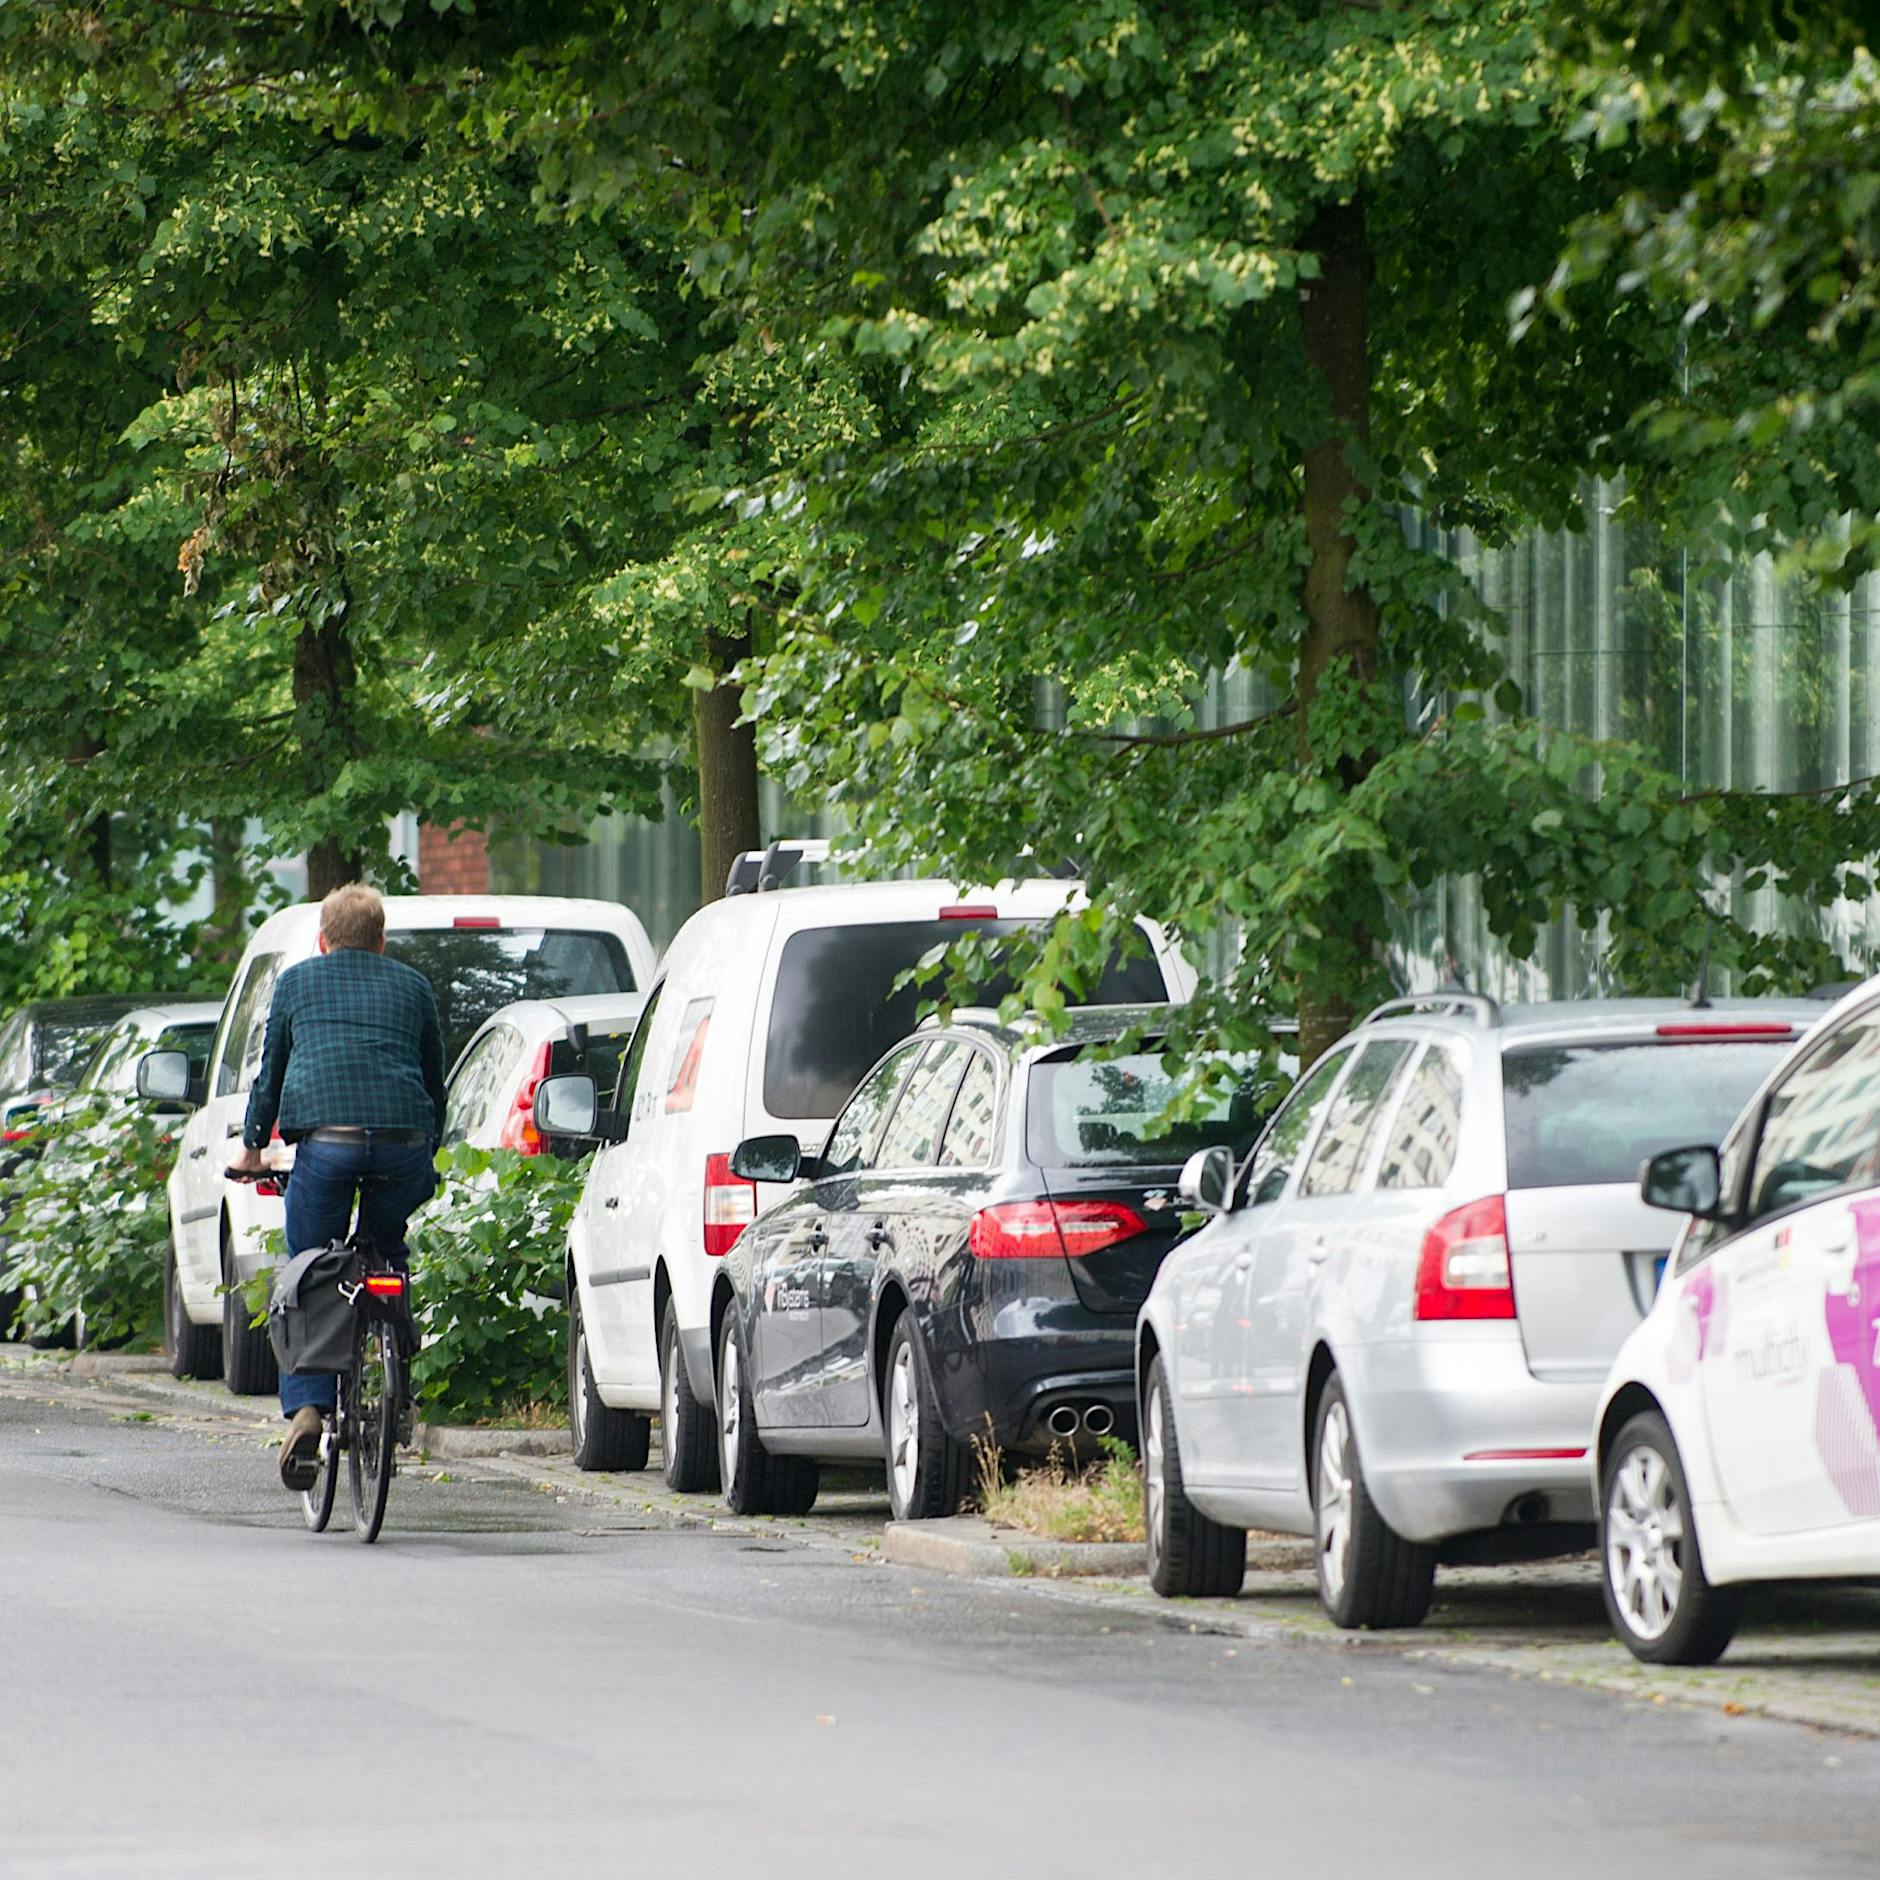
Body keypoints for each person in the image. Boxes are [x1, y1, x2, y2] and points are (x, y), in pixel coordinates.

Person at [232, 883, 444, 1489]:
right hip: (404, 1144)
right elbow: (434, 1079)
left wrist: (252, 1149)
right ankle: (397, 1362)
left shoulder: (297, 983)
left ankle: (307, 1409)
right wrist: (430, 1145)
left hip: (327, 1146)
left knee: (308, 1268)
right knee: (386, 1244)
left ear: (323, 941)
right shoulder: (413, 986)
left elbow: (270, 1076)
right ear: (381, 942)